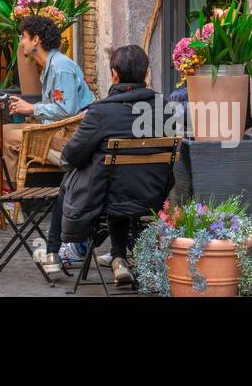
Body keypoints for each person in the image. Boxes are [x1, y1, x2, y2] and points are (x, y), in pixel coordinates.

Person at [53, 44, 175, 284]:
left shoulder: (101, 113)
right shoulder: (167, 110)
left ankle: (58, 251)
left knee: (92, 180)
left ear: (114, 74)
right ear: (146, 74)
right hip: (153, 197)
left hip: (106, 198)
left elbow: (70, 157)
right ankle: (119, 256)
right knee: (120, 180)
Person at [0, 14, 94, 225]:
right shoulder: (51, 65)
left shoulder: (60, 67)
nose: (21, 42)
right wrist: (28, 109)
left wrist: (31, 108)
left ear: (36, 40)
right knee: (0, 130)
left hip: (71, 137)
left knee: (7, 137)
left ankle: (13, 206)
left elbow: (68, 109)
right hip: (57, 129)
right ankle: (1, 198)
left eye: (24, 37)